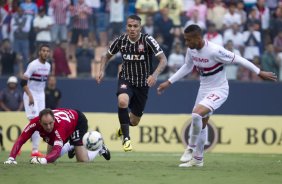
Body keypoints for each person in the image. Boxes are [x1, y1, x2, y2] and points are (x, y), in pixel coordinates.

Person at [157, 24, 277, 168]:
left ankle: (190, 148)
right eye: (185, 40)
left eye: (189, 40)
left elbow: (239, 59)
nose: (186, 43)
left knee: (196, 115)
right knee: (202, 124)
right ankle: (198, 159)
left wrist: (259, 72)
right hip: (204, 88)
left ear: (198, 38)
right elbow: (187, 67)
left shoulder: (215, 50)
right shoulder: (191, 50)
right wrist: (169, 81)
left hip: (219, 89)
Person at [96, 14, 167, 152]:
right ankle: (126, 139)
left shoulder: (147, 40)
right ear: (126, 27)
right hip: (126, 79)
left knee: (134, 121)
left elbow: (163, 59)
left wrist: (155, 75)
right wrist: (101, 70)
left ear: (140, 27)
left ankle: (123, 129)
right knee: (122, 101)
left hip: (143, 84)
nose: (132, 29)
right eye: (130, 26)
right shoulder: (121, 41)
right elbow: (106, 55)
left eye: (135, 26)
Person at [3, 108, 111, 164]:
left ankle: (99, 147)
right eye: (45, 124)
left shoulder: (59, 128)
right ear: (39, 122)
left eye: (51, 123)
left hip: (77, 121)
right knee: (50, 159)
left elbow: (56, 150)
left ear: (54, 120)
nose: (49, 126)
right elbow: (21, 139)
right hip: (67, 123)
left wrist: (43, 160)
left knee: (82, 160)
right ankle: (71, 145)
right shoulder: (34, 123)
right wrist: (11, 158)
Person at [21, 44, 51, 157]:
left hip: (40, 96)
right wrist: (30, 95)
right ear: (39, 52)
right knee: (35, 122)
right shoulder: (33, 65)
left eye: (47, 51)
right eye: (43, 50)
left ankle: (34, 151)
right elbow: (23, 82)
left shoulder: (48, 66)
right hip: (30, 94)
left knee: (40, 122)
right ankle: (23, 146)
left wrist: (40, 96)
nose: (45, 53)